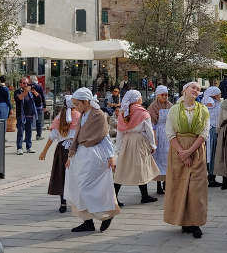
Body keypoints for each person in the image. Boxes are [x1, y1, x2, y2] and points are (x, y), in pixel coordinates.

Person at [64, 87, 119, 233]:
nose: (75, 107)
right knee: (77, 187)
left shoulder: (98, 115)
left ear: (86, 101)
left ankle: (106, 215)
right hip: (81, 154)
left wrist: (111, 157)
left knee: (88, 188)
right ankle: (87, 221)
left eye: (77, 104)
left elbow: (105, 136)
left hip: (95, 154)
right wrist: (71, 155)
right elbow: (77, 135)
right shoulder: (83, 114)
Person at [163, 82, 209, 239]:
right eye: (193, 87)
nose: (196, 90)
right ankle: (183, 221)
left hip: (196, 151)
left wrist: (189, 152)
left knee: (196, 188)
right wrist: (182, 153)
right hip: (178, 151)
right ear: (185, 90)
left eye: (198, 89)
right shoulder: (174, 110)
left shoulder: (203, 110)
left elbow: (204, 133)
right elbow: (170, 133)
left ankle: (195, 223)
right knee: (179, 186)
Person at [114, 90, 161, 205]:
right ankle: (144, 196)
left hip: (126, 141)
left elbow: (120, 132)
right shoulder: (143, 113)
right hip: (139, 141)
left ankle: (114, 198)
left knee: (122, 169)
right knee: (141, 167)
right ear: (137, 99)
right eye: (140, 97)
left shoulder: (123, 112)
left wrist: (118, 148)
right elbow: (149, 130)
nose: (141, 99)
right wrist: (152, 144)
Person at [39, 96, 80, 213]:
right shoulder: (79, 116)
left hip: (62, 150)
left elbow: (52, 137)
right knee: (76, 175)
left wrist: (44, 151)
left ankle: (63, 203)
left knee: (62, 176)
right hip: (76, 149)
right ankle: (77, 201)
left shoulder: (59, 118)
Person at [147, 85, 171, 195]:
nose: (165, 97)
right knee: (158, 160)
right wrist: (154, 138)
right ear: (158, 95)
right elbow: (151, 124)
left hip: (168, 133)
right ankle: (158, 184)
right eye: (163, 95)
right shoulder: (153, 107)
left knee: (167, 159)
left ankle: (166, 182)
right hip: (157, 134)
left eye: (166, 95)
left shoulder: (170, 105)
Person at [202, 86, 222, 187]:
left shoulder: (217, 103)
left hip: (215, 130)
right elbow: (208, 102)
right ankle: (210, 177)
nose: (220, 96)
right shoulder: (208, 101)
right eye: (218, 94)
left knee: (213, 154)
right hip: (210, 130)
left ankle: (212, 176)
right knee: (210, 154)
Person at [14, 78, 38, 155]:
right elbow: (19, 98)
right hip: (21, 115)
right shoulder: (17, 91)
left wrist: (37, 95)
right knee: (20, 132)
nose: (26, 85)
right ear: (20, 84)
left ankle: (29, 147)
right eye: (24, 83)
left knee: (29, 132)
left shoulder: (30, 92)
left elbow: (34, 102)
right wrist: (26, 91)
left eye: (27, 83)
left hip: (29, 115)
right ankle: (19, 148)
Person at [30, 76, 46, 140]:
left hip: (30, 105)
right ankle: (38, 135)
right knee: (38, 121)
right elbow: (42, 96)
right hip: (38, 106)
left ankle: (28, 136)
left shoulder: (29, 86)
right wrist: (44, 106)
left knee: (29, 121)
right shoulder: (39, 86)